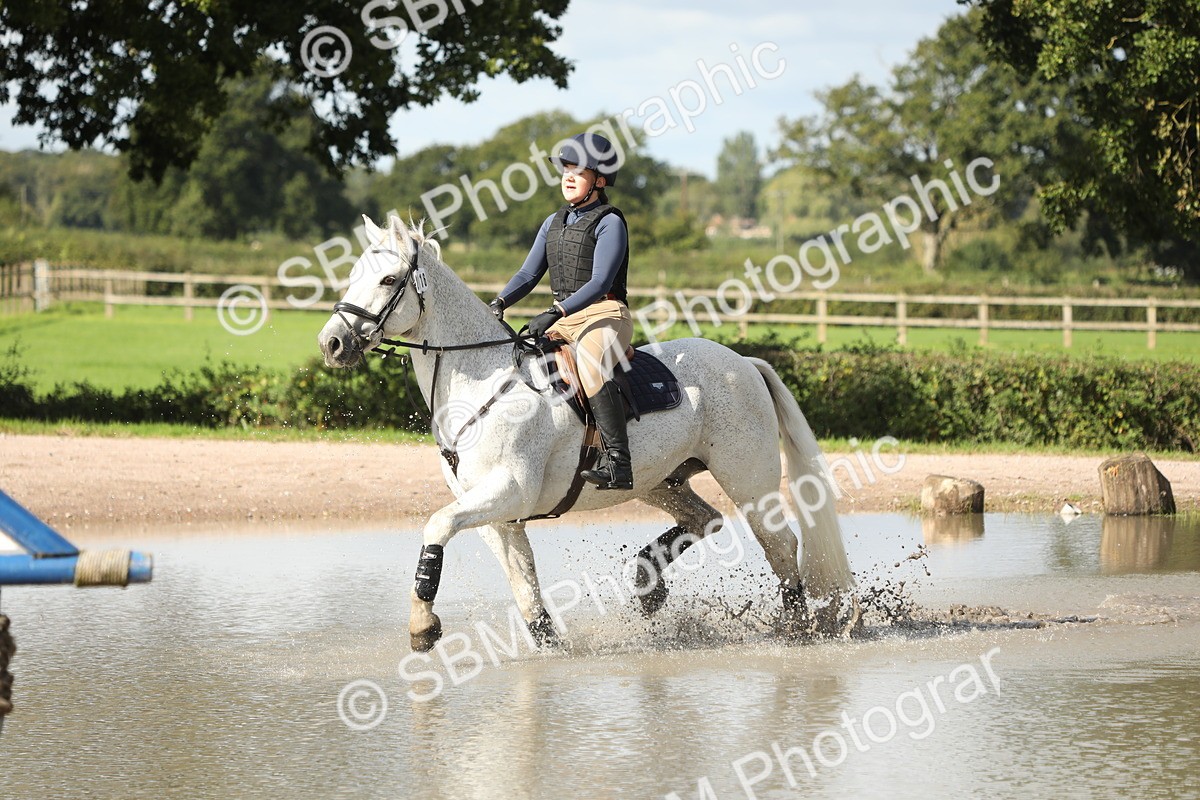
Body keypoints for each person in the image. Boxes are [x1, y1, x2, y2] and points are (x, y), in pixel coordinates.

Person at [489, 132, 635, 491]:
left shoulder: (609, 221)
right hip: (567, 317)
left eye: (578, 171)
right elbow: (527, 274)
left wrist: (555, 311)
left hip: (605, 314)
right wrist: (500, 302)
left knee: (588, 364)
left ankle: (619, 462)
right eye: (565, 169)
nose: (568, 176)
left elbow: (600, 282)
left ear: (599, 181)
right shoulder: (553, 222)